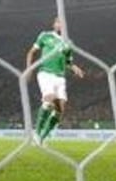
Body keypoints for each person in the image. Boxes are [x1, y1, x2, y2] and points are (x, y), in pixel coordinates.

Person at [26, 16, 85, 144]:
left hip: (60, 77)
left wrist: (75, 68)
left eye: (63, 23)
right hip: (46, 74)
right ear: (54, 24)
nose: (60, 24)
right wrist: (29, 69)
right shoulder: (45, 36)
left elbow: (68, 62)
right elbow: (31, 52)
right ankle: (36, 133)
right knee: (50, 100)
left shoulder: (68, 43)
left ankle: (42, 137)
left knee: (60, 109)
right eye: (58, 22)